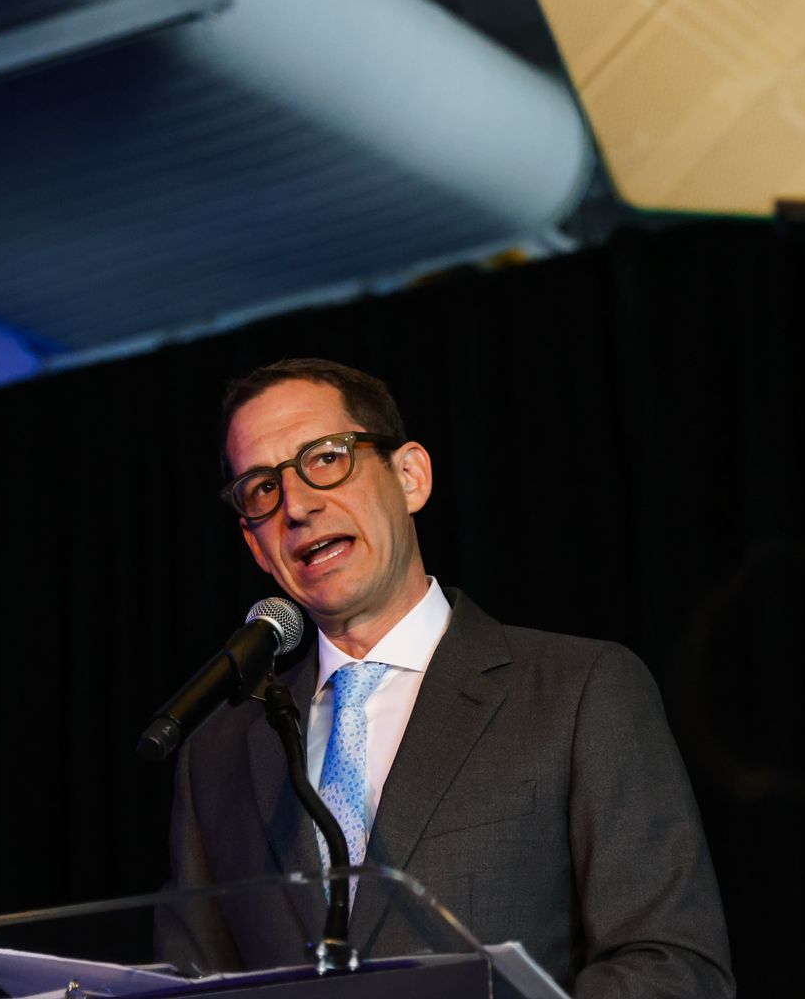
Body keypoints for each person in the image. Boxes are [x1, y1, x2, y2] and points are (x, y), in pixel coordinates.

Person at [157, 357, 734, 998]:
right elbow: (191, 984)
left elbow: (675, 967)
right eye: (262, 488)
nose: (296, 505)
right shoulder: (217, 756)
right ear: (255, 544)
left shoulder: (579, 690)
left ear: (410, 477)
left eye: (325, 459)